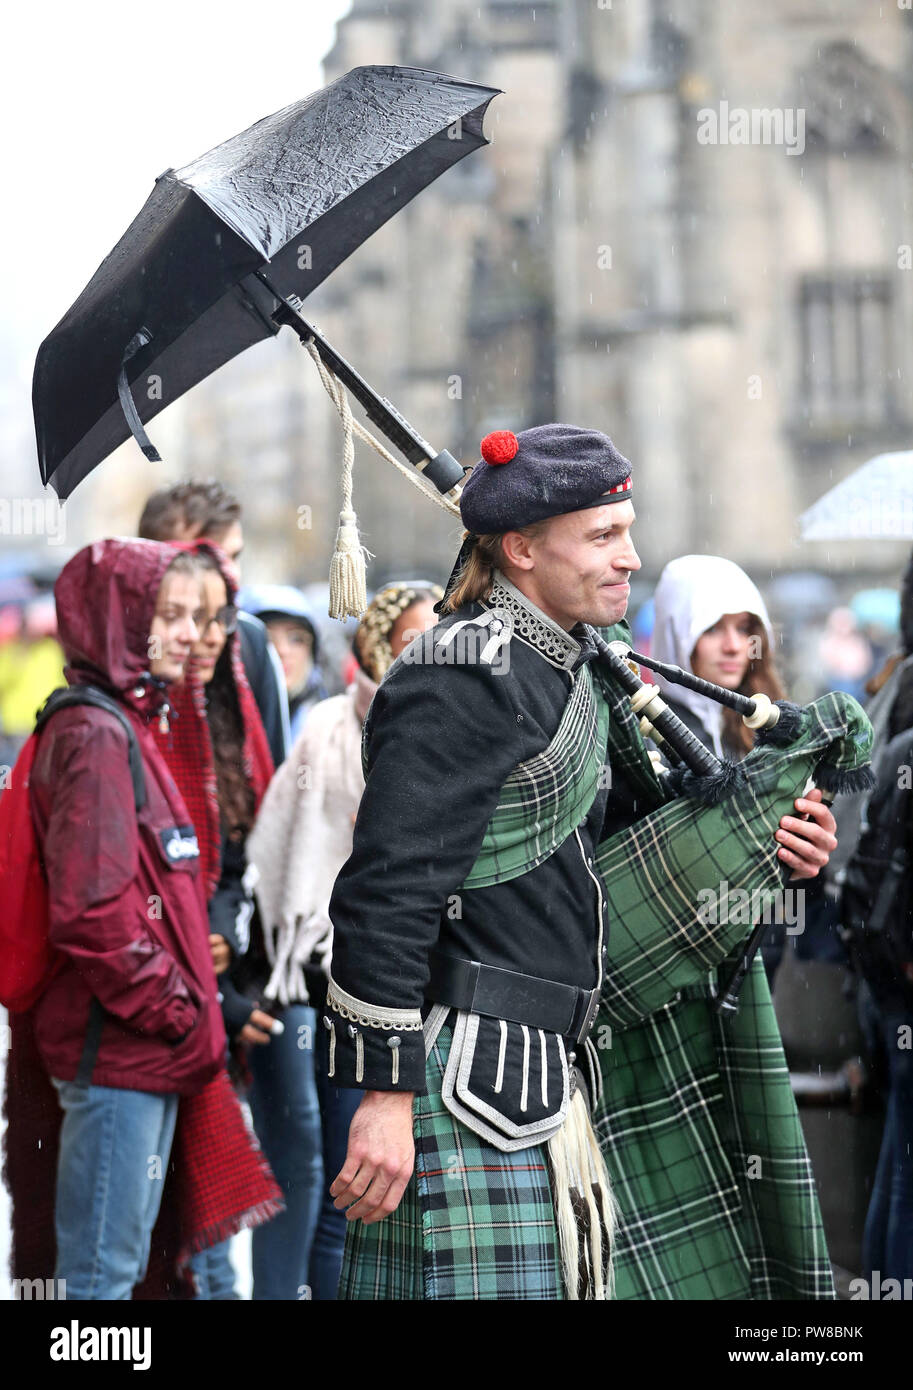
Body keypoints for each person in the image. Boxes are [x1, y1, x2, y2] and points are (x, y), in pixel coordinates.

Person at [322, 424, 837, 1301]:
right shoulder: (460, 672)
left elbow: (627, 848)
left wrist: (772, 847)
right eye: (603, 536)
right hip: (460, 1082)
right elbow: (388, 892)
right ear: (520, 548)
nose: (630, 557)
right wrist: (381, 1097)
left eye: (627, 531)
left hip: (551, 1075)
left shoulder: (570, 666)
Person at [26, 538, 226, 1299]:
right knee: (99, 1283)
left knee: (118, 1270)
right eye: (166, 615)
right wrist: (175, 1009)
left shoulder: (126, 721)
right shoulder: (97, 733)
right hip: (119, 1052)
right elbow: (92, 911)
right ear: (117, 620)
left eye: (192, 615)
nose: (188, 633)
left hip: (136, 1051)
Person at [246, 580, 442, 1299]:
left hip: (417, 985)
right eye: (410, 642)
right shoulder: (328, 726)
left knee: (378, 1201)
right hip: (326, 979)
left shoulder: (451, 729)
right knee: (326, 1184)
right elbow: (277, 849)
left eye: (438, 639)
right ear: (374, 649)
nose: (427, 655)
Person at [149, 540, 278, 1298]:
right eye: (178, 616)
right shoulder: (116, 724)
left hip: (208, 996)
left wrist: (223, 932)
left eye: (215, 618)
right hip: (153, 1012)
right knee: (137, 1248)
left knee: (207, 1228)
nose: (198, 635)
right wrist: (213, 987)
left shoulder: (219, 712)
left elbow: (230, 859)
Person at [138, 481, 290, 767]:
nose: (228, 572)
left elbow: (274, 766)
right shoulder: (128, 652)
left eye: (234, 557)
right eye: (209, 558)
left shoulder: (250, 638)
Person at [238, 584, 328, 742]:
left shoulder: (330, 725)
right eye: (266, 638)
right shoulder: (226, 722)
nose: (283, 650)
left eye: (296, 639)